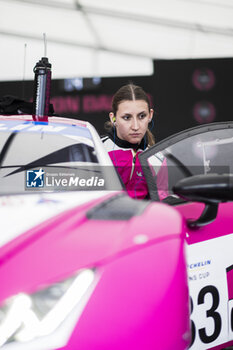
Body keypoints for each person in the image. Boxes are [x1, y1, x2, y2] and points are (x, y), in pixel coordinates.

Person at [101, 83, 155, 200]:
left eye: (142, 116)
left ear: (150, 115)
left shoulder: (157, 158)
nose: (135, 126)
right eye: (127, 118)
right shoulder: (97, 152)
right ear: (113, 118)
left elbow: (164, 203)